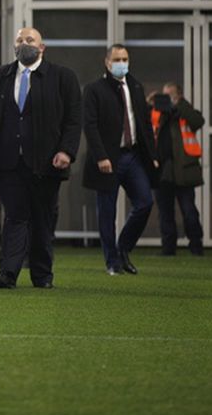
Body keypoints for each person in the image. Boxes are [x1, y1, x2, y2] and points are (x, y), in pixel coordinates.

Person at [0, 27, 81, 289]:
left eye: (30, 40)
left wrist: (66, 151)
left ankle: (42, 275)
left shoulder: (62, 78)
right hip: (8, 162)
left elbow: (73, 120)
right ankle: (7, 272)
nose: (24, 44)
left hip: (47, 162)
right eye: (19, 40)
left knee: (42, 218)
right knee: (15, 216)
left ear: (42, 48)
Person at [82, 45, 156, 276]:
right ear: (107, 62)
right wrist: (101, 156)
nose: (121, 63)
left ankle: (122, 248)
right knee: (107, 212)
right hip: (108, 158)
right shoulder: (94, 90)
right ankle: (112, 261)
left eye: (124, 59)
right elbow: (90, 126)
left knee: (145, 202)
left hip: (133, 156)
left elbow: (144, 124)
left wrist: (152, 156)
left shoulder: (135, 86)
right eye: (117, 59)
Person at [150, 83, 205, 256]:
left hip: (183, 170)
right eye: (164, 95)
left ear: (178, 95)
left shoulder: (184, 110)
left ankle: (196, 245)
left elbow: (198, 121)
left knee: (189, 211)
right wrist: (149, 103)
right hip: (162, 171)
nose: (167, 99)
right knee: (165, 213)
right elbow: (143, 123)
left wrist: (178, 104)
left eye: (170, 95)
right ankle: (168, 248)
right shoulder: (158, 113)